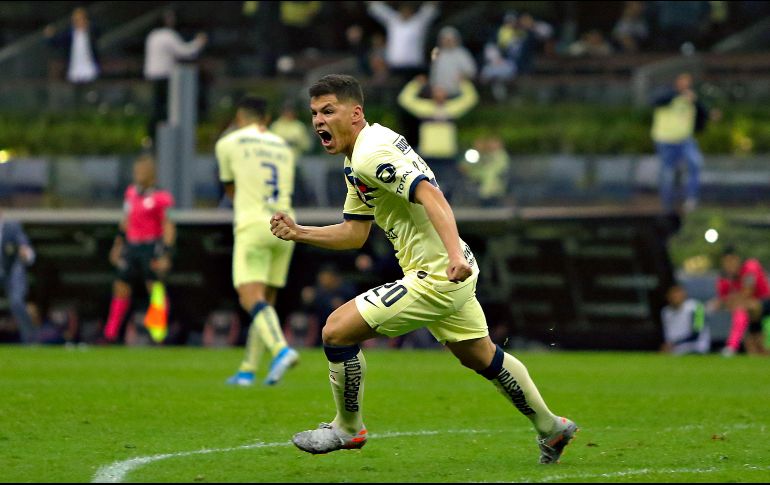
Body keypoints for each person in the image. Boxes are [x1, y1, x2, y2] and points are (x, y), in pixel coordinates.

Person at [270, 74, 577, 461]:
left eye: (328, 110)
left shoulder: (371, 154)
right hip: (447, 270)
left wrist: (452, 256)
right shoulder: (361, 155)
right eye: (314, 113)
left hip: (437, 274)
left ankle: (348, 428)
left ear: (355, 113)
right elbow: (353, 234)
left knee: (336, 331)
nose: (318, 120)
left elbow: (432, 195)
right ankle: (552, 428)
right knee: (480, 356)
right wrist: (299, 232)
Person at [217, 96, 300, 386]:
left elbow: (230, 190)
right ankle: (248, 369)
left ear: (240, 116)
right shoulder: (284, 146)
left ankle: (281, 350)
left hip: (253, 224)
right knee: (266, 302)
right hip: (285, 226)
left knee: (249, 296)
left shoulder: (229, 142)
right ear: (266, 119)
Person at [103, 155, 176, 344]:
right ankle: (110, 334)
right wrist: (118, 245)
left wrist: (165, 252)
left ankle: (158, 334)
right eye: (136, 171)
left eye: (141, 171)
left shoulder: (161, 197)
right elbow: (126, 220)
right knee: (121, 286)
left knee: (155, 289)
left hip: (151, 247)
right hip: (132, 245)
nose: (137, 175)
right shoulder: (131, 194)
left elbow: (168, 225)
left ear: (151, 173)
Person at [397, 74, 478, 202]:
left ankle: (448, 210)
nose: (439, 94)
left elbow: (470, 99)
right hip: (428, 155)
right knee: (427, 186)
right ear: (432, 93)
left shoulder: (451, 108)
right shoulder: (425, 108)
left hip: (447, 155)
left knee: (449, 185)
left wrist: (464, 83)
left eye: (442, 91)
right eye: (437, 91)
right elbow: (405, 99)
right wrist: (416, 84)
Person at [650, 72, 714, 214]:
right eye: (682, 81)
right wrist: (677, 94)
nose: (685, 85)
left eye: (687, 82)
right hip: (665, 140)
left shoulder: (691, 98)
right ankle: (667, 205)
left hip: (685, 140)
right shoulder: (666, 94)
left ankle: (691, 200)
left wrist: (698, 103)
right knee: (668, 172)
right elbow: (655, 101)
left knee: (695, 164)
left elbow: (703, 112)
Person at [143, 8, 207, 143]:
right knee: (163, 107)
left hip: (152, 74)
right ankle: (158, 136)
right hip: (164, 75)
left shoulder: (152, 35)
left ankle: (152, 135)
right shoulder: (167, 35)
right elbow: (185, 51)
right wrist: (198, 43)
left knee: (157, 106)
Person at [708, 246, 769, 356]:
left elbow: (747, 292)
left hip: (765, 303)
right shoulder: (724, 279)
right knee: (754, 349)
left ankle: (732, 346)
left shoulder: (750, 266)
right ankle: (733, 346)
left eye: (731, 261)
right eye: (726, 262)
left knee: (745, 306)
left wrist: (728, 301)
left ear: (737, 259)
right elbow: (723, 301)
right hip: (751, 314)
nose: (729, 265)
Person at [0, 210, 36, 343]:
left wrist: (26, 253)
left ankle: (30, 339)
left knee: (16, 302)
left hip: (11, 272)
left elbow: (27, 249)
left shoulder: (12, 227)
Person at [660, 284, 710, 355]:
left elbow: (696, 334)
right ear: (668, 296)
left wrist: (674, 343)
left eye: (678, 294)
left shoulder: (698, 308)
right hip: (676, 351)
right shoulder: (665, 312)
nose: (675, 297)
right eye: (673, 295)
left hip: (696, 349)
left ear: (684, 295)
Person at [429, 26, 477, 97]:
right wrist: (433, 86)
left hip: (459, 92)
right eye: (445, 39)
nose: (448, 42)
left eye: (450, 39)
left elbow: (471, 71)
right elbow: (433, 72)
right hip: (441, 93)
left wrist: (464, 76)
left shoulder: (462, 53)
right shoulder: (437, 53)